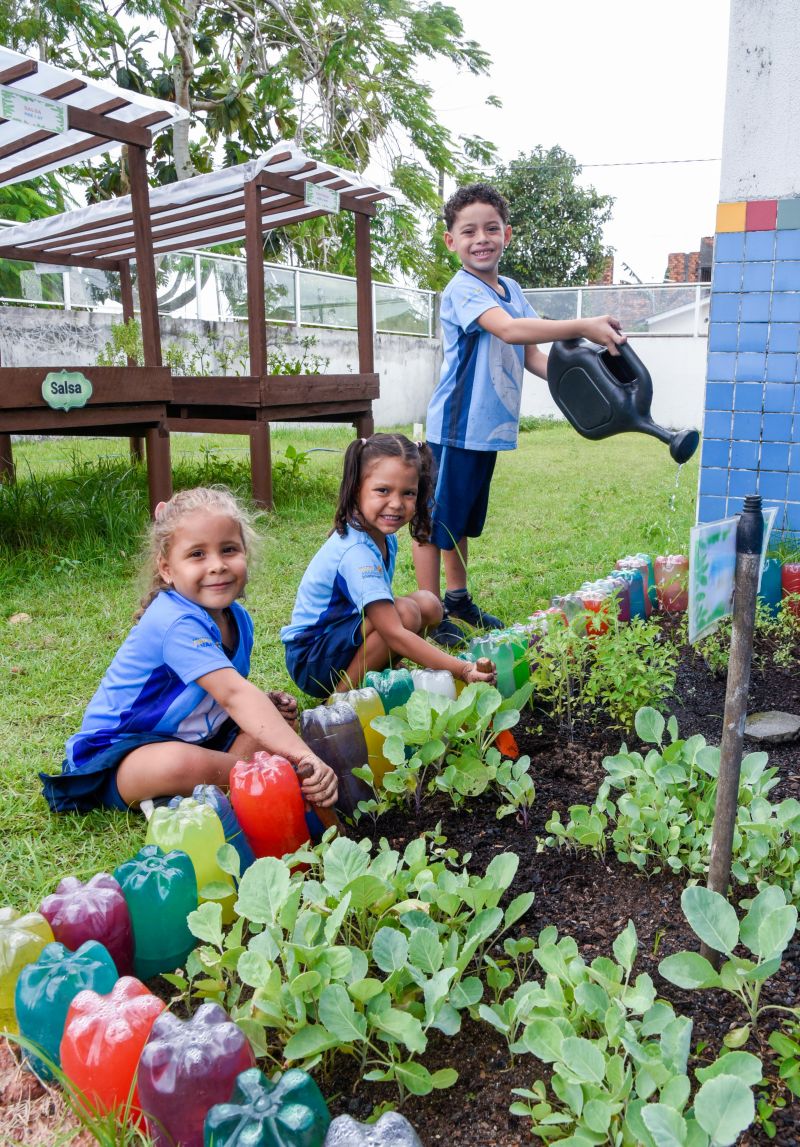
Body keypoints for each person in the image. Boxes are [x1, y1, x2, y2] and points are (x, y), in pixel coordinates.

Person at [414, 182, 626, 646]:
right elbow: (509, 330)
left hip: (487, 429)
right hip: (455, 426)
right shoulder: (463, 289)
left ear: (507, 234)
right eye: (469, 231)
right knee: (433, 524)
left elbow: (532, 356)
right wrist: (583, 323)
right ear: (451, 241)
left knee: (462, 520)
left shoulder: (509, 288)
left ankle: (457, 598)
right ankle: (430, 613)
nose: (481, 238)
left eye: (491, 228)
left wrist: (589, 387)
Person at [40, 487, 337, 814]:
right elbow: (233, 694)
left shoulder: (238, 619)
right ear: (167, 568)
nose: (217, 565)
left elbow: (217, 696)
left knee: (275, 721)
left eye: (228, 550)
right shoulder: (174, 620)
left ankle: (236, 778)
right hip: (120, 756)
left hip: (195, 740)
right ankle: (254, 777)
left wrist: (268, 710)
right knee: (177, 764)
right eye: (197, 554)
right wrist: (304, 757)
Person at [281, 433, 497, 699]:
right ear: (356, 488)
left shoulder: (384, 538)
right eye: (383, 490)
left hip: (340, 640)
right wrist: (462, 669)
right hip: (312, 659)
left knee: (429, 604)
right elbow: (393, 632)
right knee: (404, 613)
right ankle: (341, 698)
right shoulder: (356, 551)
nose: (396, 504)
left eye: (408, 493)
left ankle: (382, 673)